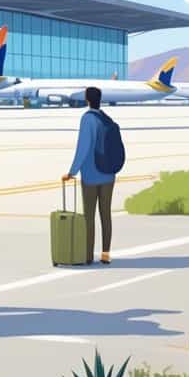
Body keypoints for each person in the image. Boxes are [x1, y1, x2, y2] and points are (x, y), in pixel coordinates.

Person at [63, 87, 116, 265]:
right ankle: (106, 254)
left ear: (87, 99)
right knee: (105, 214)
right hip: (108, 174)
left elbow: (83, 148)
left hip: (91, 175)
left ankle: (87, 255)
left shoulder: (87, 119)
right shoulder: (106, 118)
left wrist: (72, 172)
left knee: (89, 216)